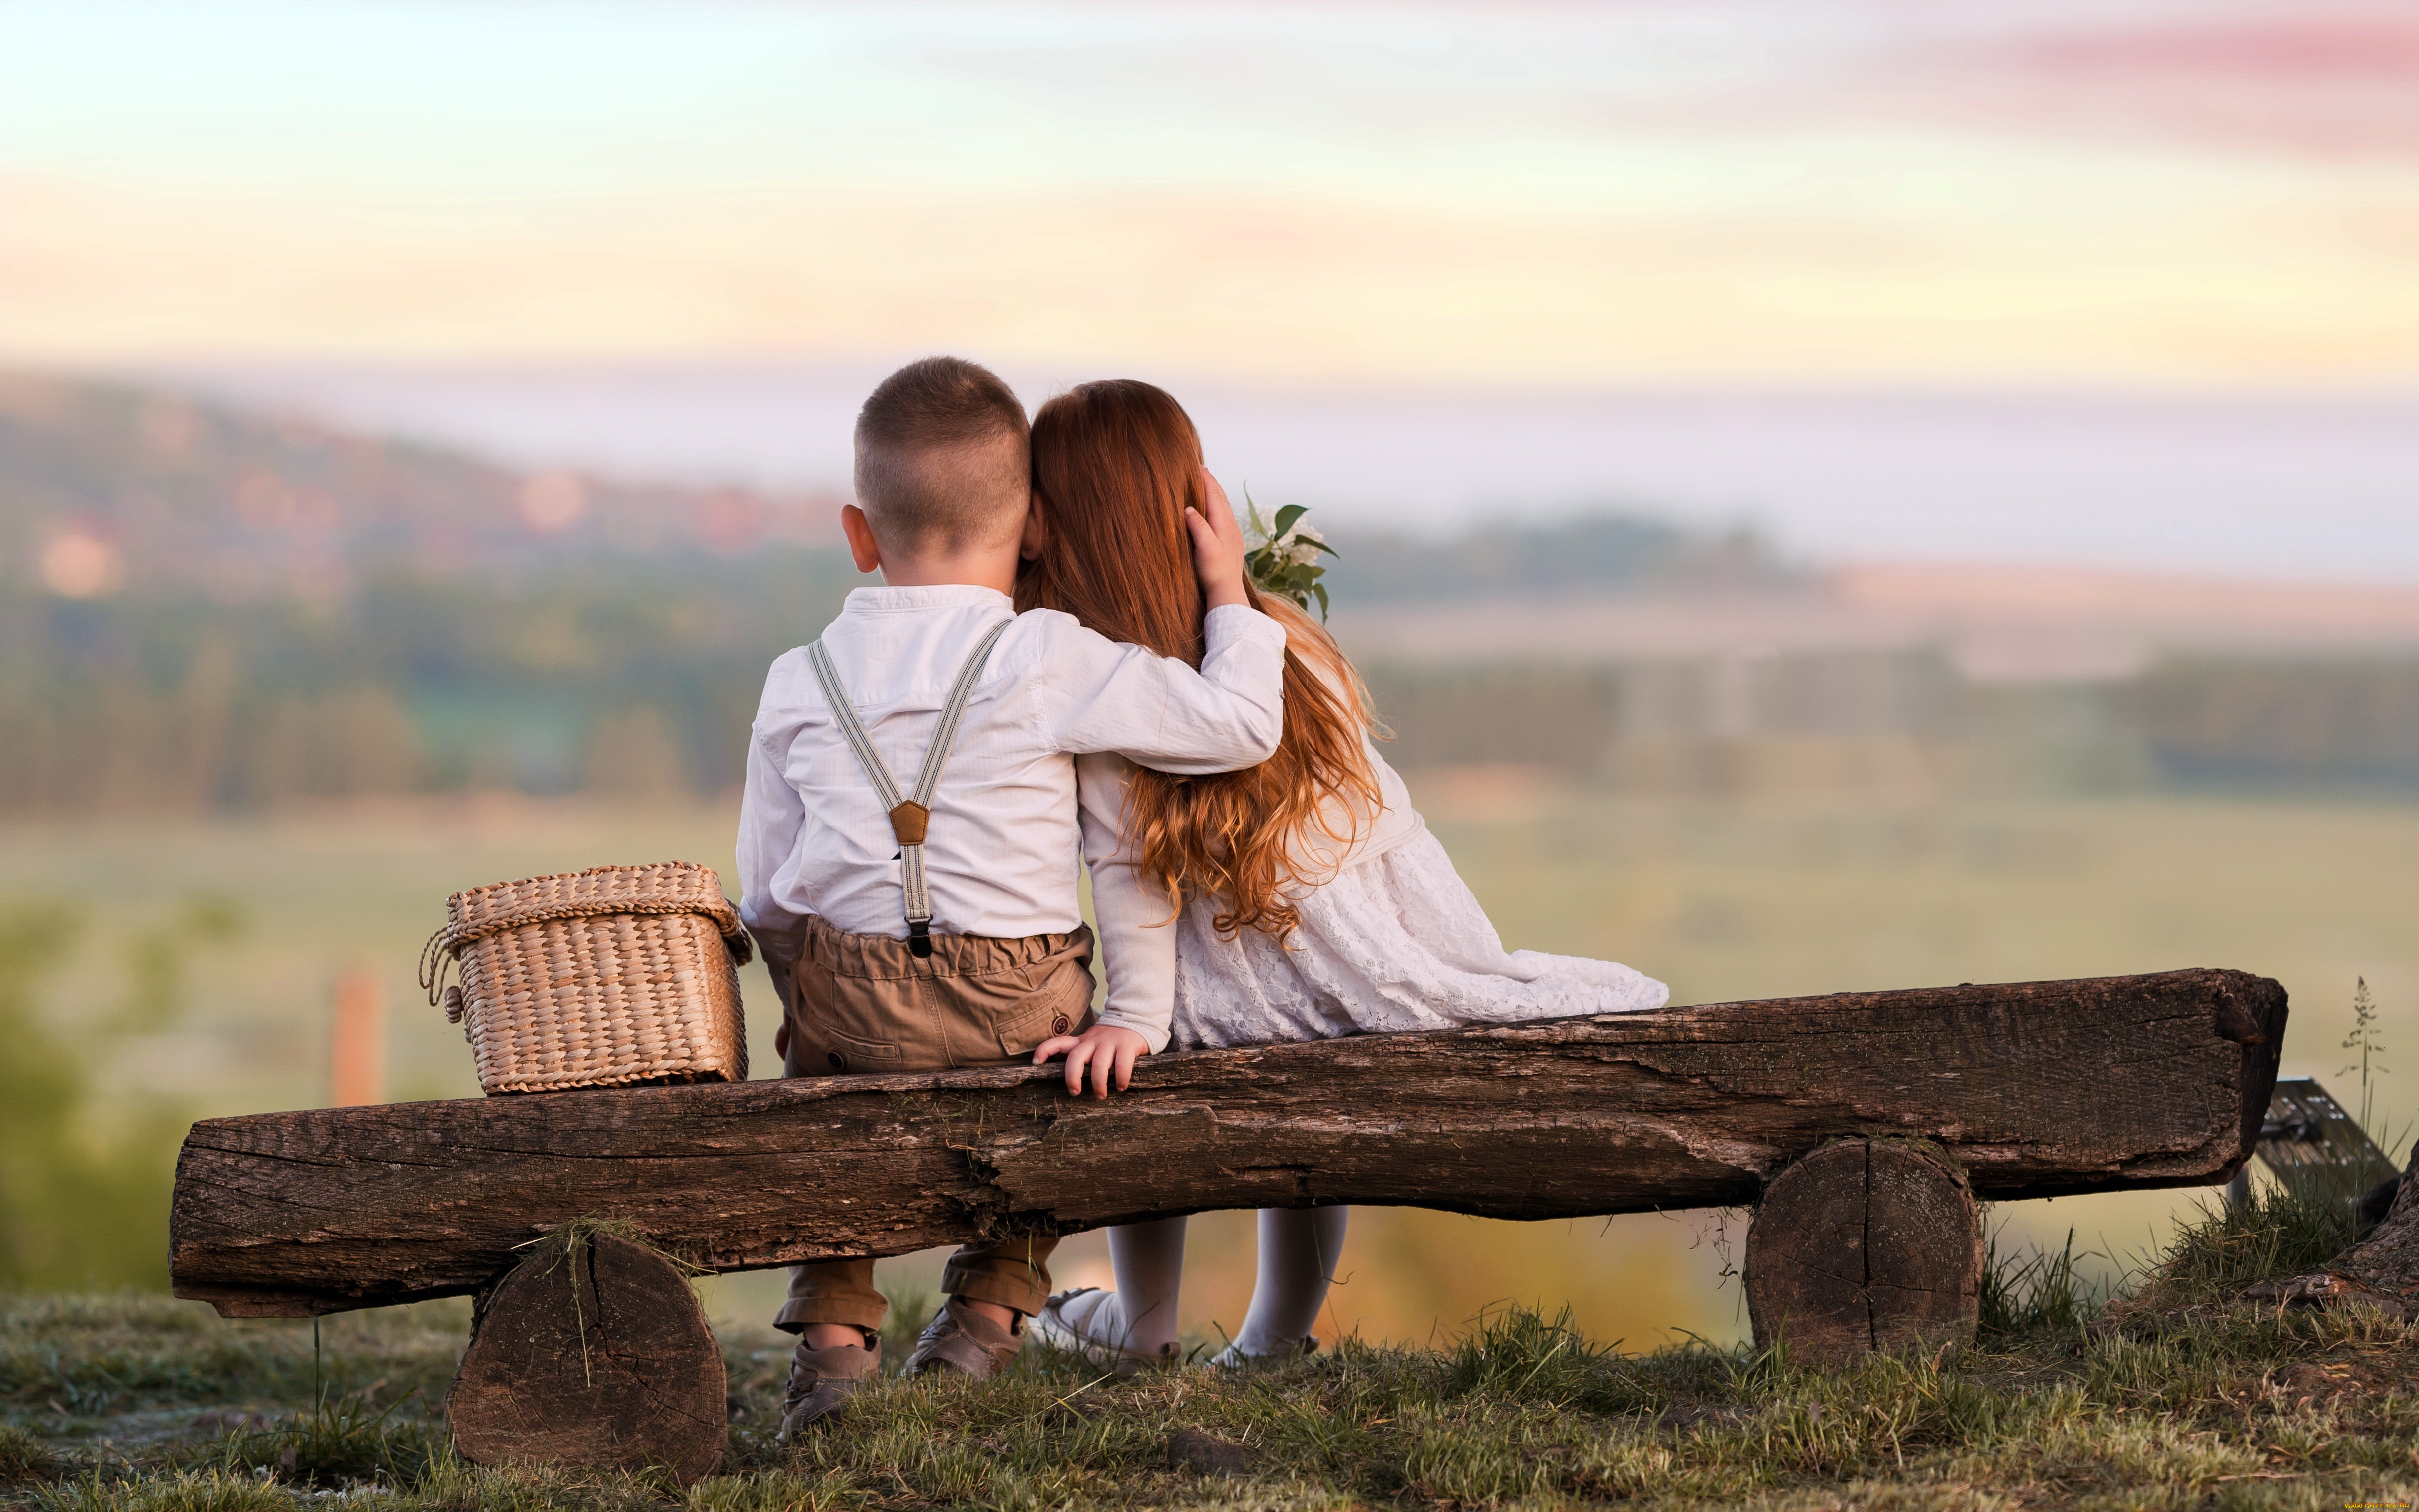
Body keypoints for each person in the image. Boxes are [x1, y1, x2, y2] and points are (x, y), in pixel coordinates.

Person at [1018, 379, 1669, 1372]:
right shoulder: (1284, 643)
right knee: (1283, 1038)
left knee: (1148, 1047)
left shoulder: (1101, 683)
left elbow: (1128, 878)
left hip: (1233, 995)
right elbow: (1385, 836)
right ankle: (1274, 1336)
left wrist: (1137, 1019)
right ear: (1195, 508)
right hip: (1375, 971)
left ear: (1057, 527)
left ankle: (1142, 1326)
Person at [736, 357, 1290, 1434]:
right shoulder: (1047, 654)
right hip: (1015, 1000)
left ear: (859, 533)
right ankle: (987, 1311)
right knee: (1064, 1086)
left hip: (848, 1002)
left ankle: (837, 1345)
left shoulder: (797, 675)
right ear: (1034, 527)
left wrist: (815, 992)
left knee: (819, 1094)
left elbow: (766, 888)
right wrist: (1226, 588)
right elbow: (1237, 726)